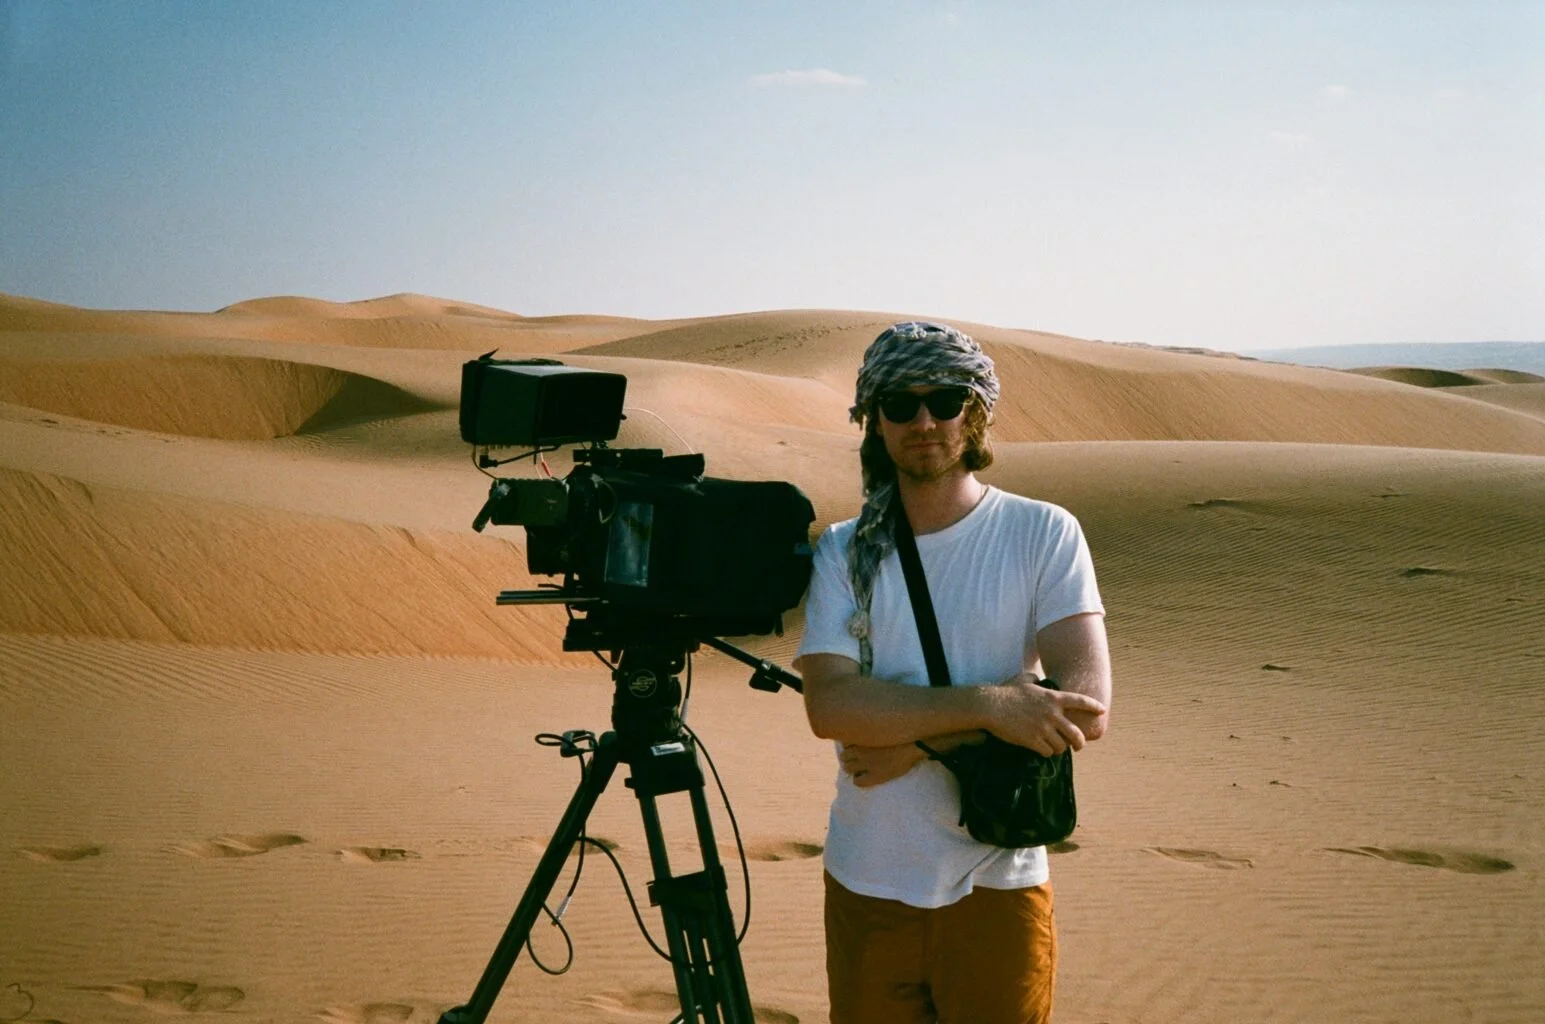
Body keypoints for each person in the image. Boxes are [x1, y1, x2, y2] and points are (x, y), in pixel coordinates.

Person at [794, 321, 1112, 1024]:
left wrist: (915, 739)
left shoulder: (1041, 533)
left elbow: (1085, 706)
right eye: (900, 405)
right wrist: (992, 706)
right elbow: (832, 708)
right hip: (867, 879)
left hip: (997, 883)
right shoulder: (846, 551)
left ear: (975, 411)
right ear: (872, 421)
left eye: (944, 398)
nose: (925, 421)